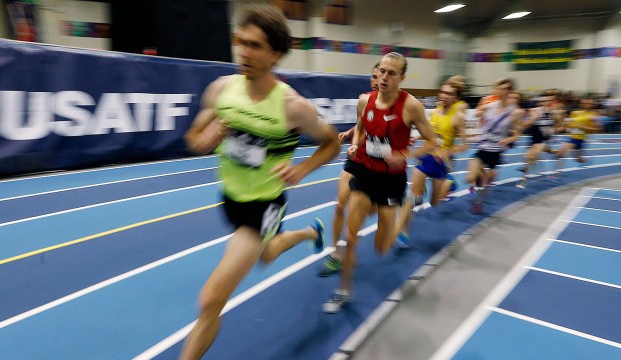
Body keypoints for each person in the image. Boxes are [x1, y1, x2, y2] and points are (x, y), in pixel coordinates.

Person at [181, 4, 340, 358]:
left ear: (276, 55)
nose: (244, 53)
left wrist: (301, 170)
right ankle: (310, 232)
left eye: (255, 46)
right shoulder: (221, 89)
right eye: (242, 42)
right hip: (231, 198)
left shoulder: (293, 107)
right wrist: (203, 140)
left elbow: (331, 142)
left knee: (210, 300)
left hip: (264, 205)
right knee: (267, 254)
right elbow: (193, 138)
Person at [322, 52, 436, 313]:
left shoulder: (411, 106)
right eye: (382, 71)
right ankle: (344, 291)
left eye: (391, 73)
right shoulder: (365, 100)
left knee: (382, 248)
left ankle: (404, 210)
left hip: (391, 181)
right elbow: (361, 127)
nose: (384, 77)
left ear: (402, 78)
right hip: (364, 173)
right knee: (351, 237)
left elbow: (432, 141)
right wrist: (355, 144)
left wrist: (403, 155)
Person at [318, 62, 380, 277]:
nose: (377, 79)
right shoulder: (364, 100)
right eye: (374, 75)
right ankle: (336, 254)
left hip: (376, 166)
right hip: (356, 160)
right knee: (339, 206)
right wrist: (351, 136)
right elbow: (362, 123)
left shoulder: (397, 106)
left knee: (364, 212)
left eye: (381, 74)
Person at [393, 77, 469, 247]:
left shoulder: (458, 117)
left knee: (434, 202)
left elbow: (465, 145)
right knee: (412, 194)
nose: (443, 95)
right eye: (442, 92)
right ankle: (401, 231)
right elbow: (432, 133)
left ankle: (448, 184)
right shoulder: (434, 111)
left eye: (449, 94)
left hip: (441, 163)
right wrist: (417, 137)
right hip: (427, 156)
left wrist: (448, 151)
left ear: (455, 98)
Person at [466, 79, 523, 214]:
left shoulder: (514, 113)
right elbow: (476, 113)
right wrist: (479, 113)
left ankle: (479, 201)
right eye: (500, 88)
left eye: (506, 89)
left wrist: (509, 139)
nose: (503, 91)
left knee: (488, 181)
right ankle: (475, 184)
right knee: (470, 177)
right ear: (496, 90)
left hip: (496, 151)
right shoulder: (489, 105)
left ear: (510, 91)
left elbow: (518, 135)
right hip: (483, 147)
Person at [516, 90, 565, 188]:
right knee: (531, 156)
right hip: (534, 138)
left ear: (551, 102)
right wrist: (533, 119)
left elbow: (561, 126)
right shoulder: (533, 111)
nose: (544, 103)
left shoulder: (554, 114)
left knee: (531, 156)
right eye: (542, 102)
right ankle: (554, 152)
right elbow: (524, 125)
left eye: (547, 101)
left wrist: (554, 129)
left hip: (544, 140)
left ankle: (523, 179)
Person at [553, 96, 601, 176]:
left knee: (578, 159)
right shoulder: (575, 113)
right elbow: (568, 124)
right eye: (585, 103)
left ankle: (586, 160)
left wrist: (584, 127)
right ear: (582, 104)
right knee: (562, 153)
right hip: (571, 137)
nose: (587, 105)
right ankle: (556, 174)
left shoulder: (594, 115)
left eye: (589, 103)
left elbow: (597, 129)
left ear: (592, 105)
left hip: (580, 140)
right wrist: (561, 127)